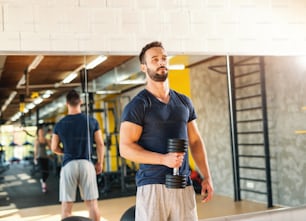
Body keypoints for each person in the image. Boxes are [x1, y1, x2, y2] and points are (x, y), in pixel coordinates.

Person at [119, 41, 214, 221]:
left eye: (163, 58)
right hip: (152, 185)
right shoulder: (138, 105)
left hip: (183, 185)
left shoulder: (184, 102)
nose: (161, 62)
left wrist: (206, 176)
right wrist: (163, 159)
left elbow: (194, 141)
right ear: (144, 67)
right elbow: (125, 148)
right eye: (154, 60)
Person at [51, 89, 105, 221]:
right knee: (92, 204)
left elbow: (54, 147)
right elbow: (100, 144)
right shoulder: (91, 121)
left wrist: (65, 152)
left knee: (66, 206)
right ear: (80, 102)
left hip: (68, 165)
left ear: (66, 103)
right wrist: (100, 162)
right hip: (86, 164)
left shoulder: (60, 124)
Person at [34, 127, 51, 193]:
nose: (41, 133)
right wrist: (34, 158)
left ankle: (43, 180)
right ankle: (44, 184)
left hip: (45, 157)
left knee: (47, 172)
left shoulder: (46, 140)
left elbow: (50, 148)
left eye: (42, 131)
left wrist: (49, 154)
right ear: (38, 133)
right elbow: (35, 150)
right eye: (40, 132)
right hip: (39, 157)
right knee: (43, 171)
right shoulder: (37, 140)